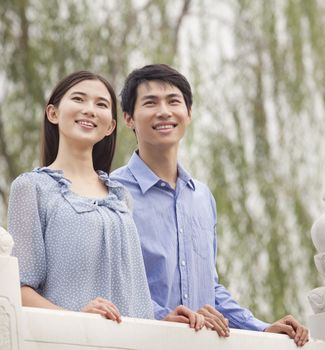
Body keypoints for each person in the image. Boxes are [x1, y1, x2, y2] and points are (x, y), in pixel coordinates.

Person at [111, 64, 309, 346]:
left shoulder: (201, 197)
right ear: (129, 118)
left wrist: (260, 327)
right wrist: (160, 317)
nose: (164, 111)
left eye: (174, 101)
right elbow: (111, 281)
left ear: (189, 114)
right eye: (150, 103)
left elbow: (209, 288)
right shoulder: (113, 192)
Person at [7, 71, 203, 329]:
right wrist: (75, 317)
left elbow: (134, 296)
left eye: (101, 104)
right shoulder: (32, 188)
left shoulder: (120, 197)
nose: (89, 110)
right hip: (70, 342)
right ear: (53, 113)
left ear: (110, 125)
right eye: (79, 99)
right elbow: (19, 289)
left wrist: (165, 319)